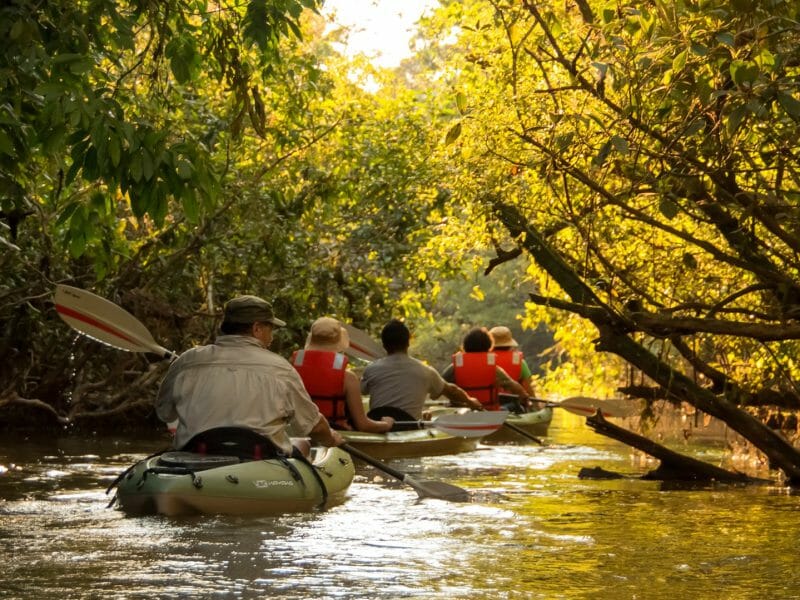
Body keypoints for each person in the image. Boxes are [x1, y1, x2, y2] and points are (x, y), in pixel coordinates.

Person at [155, 295, 343, 458]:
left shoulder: (187, 360)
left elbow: (165, 413)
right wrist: (331, 438)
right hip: (257, 459)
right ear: (257, 329)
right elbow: (313, 426)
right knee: (303, 445)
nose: (272, 337)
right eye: (271, 329)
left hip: (195, 454)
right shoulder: (281, 369)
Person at [360, 319, 482, 430]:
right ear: (408, 343)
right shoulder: (425, 371)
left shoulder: (371, 369)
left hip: (377, 427)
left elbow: (362, 391)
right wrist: (470, 401)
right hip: (408, 427)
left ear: (384, 345)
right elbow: (452, 391)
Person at [291, 316, 394, 433]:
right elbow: (363, 425)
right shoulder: (348, 378)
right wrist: (386, 424)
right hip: (336, 438)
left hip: (300, 434)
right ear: (340, 342)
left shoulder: (292, 371)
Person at [441, 327, 530, 411]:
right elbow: (513, 386)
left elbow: (440, 384)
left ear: (465, 346)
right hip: (488, 412)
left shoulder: (455, 367)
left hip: (462, 412)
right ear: (488, 346)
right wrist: (523, 395)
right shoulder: (493, 369)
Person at [489, 325, 536, 397]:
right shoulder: (520, 362)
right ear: (510, 344)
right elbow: (529, 389)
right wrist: (536, 406)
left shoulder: (484, 362)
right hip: (513, 402)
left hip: (488, 402)